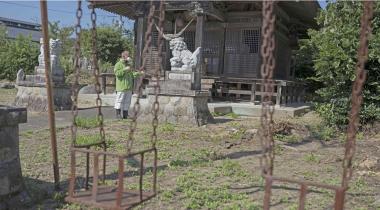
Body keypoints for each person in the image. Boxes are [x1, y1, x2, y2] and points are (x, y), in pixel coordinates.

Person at [114, 51, 142, 119]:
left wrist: (139, 73)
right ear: (124, 56)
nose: (129, 58)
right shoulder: (118, 64)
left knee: (127, 101)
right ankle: (118, 114)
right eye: (128, 56)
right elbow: (117, 74)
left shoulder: (128, 65)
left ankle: (125, 114)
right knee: (119, 100)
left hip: (129, 87)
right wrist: (124, 69)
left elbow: (132, 75)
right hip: (121, 87)